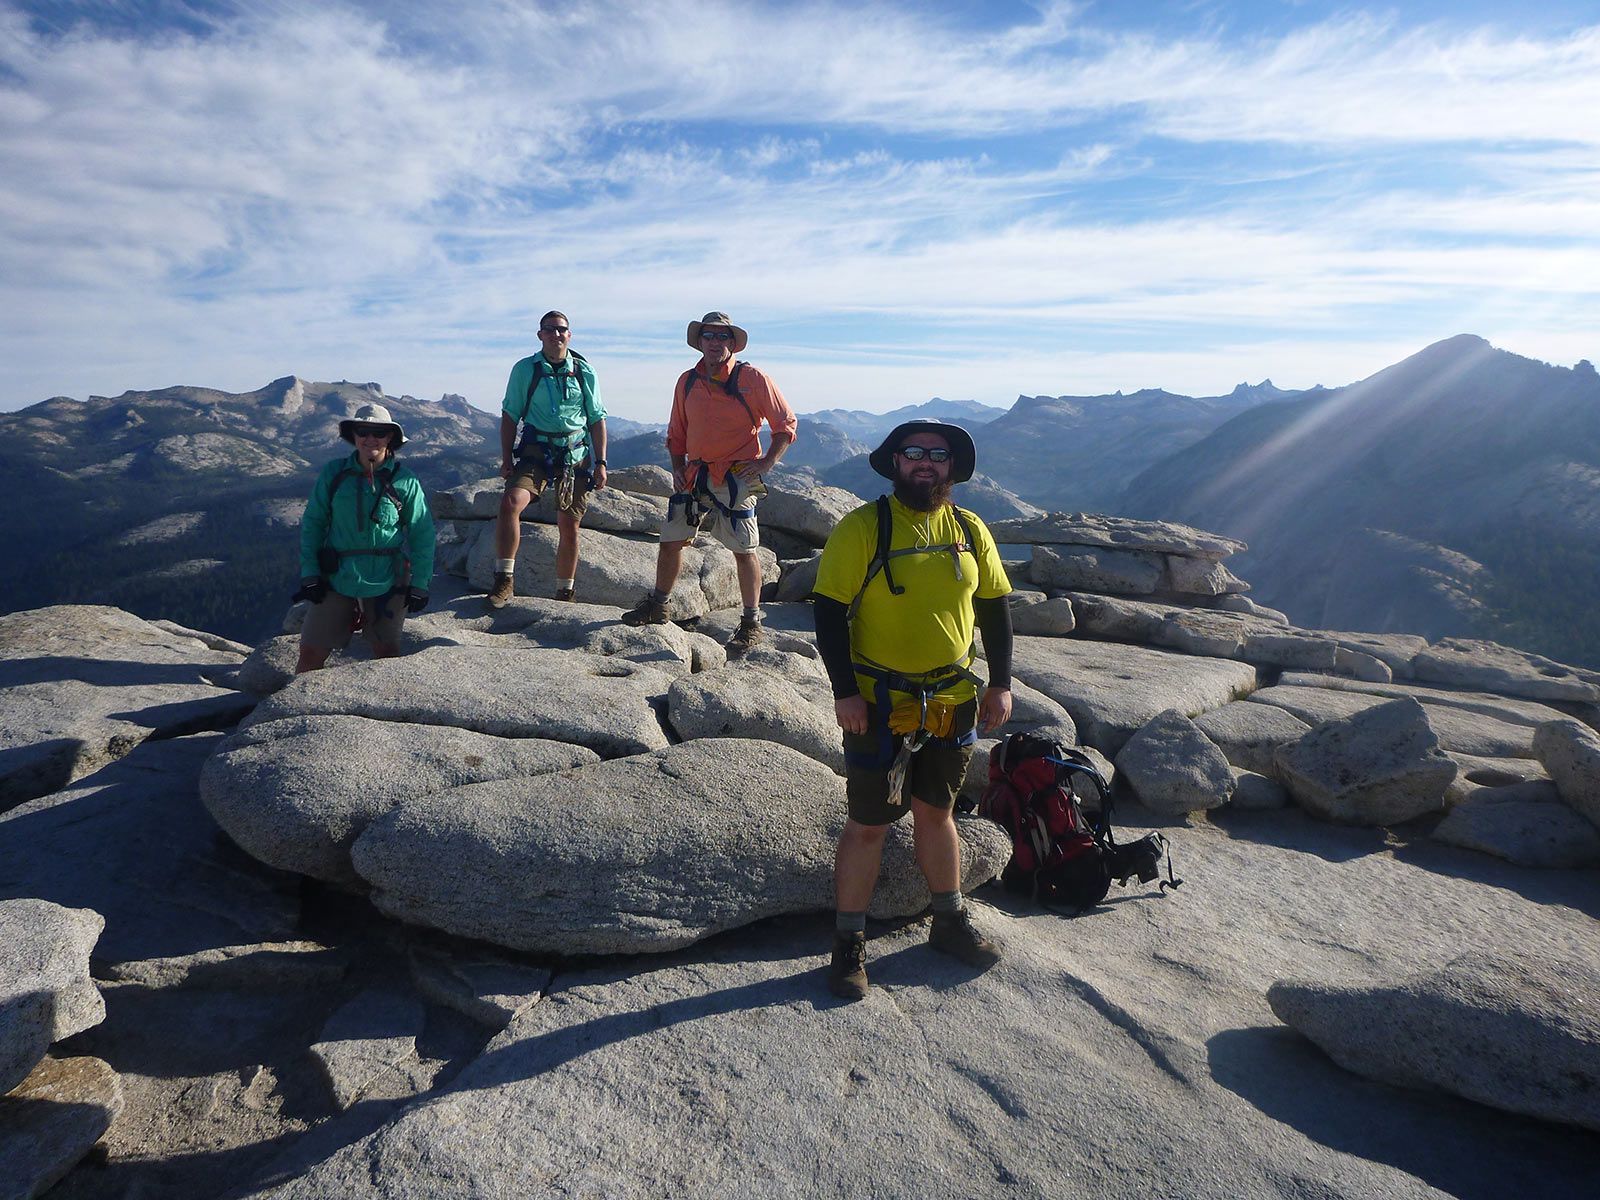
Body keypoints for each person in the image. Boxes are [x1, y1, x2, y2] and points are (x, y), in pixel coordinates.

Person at [809, 419, 1014, 1000]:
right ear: (894, 462)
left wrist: (999, 683)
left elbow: (995, 607)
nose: (926, 463)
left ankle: (948, 922)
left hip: (952, 697)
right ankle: (848, 945)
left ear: (952, 467)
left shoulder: (970, 529)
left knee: (937, 811)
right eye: (914, 453)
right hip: (879, 701)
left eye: (938, 455)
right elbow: (828, 613)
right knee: (869, 823)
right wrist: (844, 691)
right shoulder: (863, 528)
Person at [620, 311, 797, 652]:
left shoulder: (753, 378)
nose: (715, 343)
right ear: (699, 342)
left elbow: (785, 424)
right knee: (671, 540)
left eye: (722, 337)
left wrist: (767, 462)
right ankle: (659, 605)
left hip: (735, 475)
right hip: (696, 473)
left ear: (732, 343)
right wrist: (676, 467)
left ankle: (751, 622)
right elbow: (677, 431)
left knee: (744, 550)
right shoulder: (687, 381)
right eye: (709, 336)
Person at [295, 403, 435, 673]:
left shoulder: (405, 481)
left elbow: (422, 533)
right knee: (311, 652)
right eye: (363, 430)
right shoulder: (334, 474)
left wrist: (420, 583)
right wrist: (310, 572)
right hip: (336, 576)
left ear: (390, 438)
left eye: (379, 432)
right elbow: (313, 524)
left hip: (388, 578)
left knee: (387, 652)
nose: (371, 438)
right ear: (354, 436)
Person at [487, 310, 608, 606]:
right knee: (511, 503)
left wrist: (602, 462)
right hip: (536, 451)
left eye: (561, 329)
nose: (556, 334)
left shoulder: (584, 371)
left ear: (569, 334)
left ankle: (565, 594)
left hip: (574, 455)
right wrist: (505, 458)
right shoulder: (525, 370)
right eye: (549, 330)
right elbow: (509, 415)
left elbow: (596, 418)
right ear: (540, 335)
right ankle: (504, 580)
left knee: (570, 526)